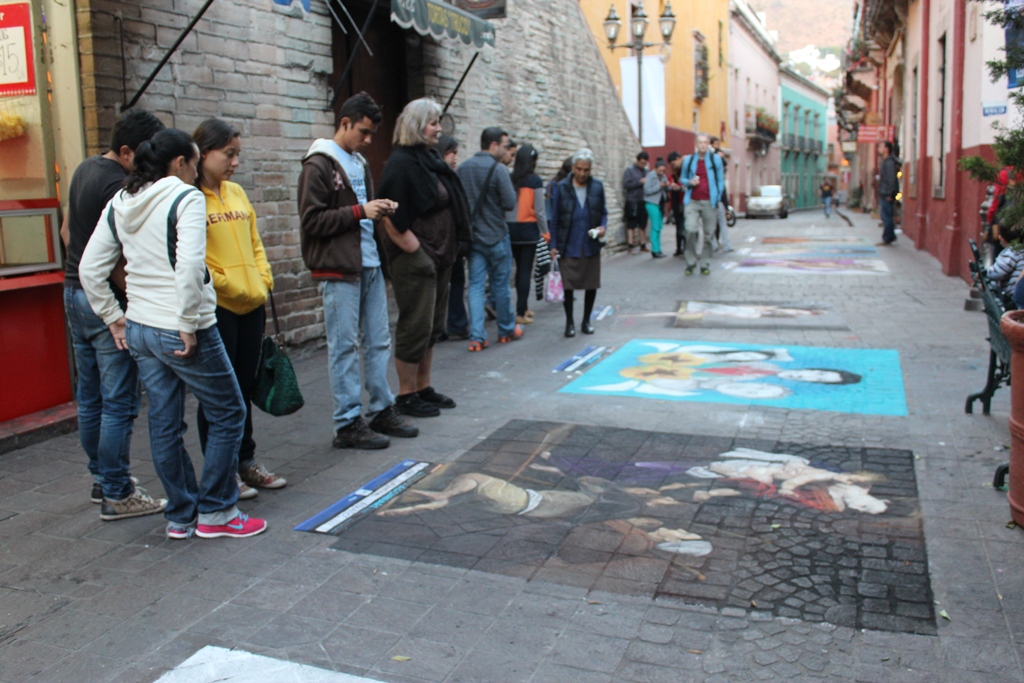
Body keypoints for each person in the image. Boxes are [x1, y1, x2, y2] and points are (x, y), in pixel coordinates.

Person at [79, 128, 267, 539]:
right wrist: (186, 323)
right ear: (179, 163)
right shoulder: (186, 197)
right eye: (195, 163)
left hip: (142, 327)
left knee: (165, 422)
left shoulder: (122, 200)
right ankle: (217, 512)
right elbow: (188, 266)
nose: (197, 170)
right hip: (182, 326)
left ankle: (182, 516)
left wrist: (114, 317)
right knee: (230, 412)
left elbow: (89, 268)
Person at [61, 108, 166, 521]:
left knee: (90, 398)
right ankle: (118, 492)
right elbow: (121, 258)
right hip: (105, 301)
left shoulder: (84, 169)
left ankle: (101, 480)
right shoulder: (117, 187)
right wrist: (136, 297)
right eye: (142, 158)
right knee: (119, 402)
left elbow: (69, 231)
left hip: (74, 293)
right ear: (125, 152)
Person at [298, 91, 417, 450]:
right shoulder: (318, 163)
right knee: (345, 345)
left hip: (369, 262)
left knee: (379, 339)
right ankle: (347, 421)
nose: (368, 141)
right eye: (363, 132)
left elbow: (362, 210)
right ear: (344, 123)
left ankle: (381, 408)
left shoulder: (358, 162)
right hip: (338, 268)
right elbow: (311, 220)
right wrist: (361, 212)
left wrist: (378, 209)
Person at [192, 118, 285, 501]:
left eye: (237, 155)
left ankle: (245, 462)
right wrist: (227, 285)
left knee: (243, 388)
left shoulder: (236, 193)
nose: (234, 162)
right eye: (228, 154)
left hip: (252, 304)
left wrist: (263, 280)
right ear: (204, 152)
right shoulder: (190, 197)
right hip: (219, 308)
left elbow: (255, 242)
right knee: (218, 392)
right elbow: (195, 259)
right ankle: (222, 470)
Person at [377, 98, 471, 417]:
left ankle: (423, 387)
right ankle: (405, 394)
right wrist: (416, 252)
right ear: (417, 126)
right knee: (415, 325)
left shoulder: (429, 158)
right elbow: (389, 215)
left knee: (433, 326)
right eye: (433, 122)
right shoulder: (402, 163)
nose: (439, 128)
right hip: (418, 258)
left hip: (441, 255)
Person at [457, 126, 522, 351]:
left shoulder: (463, 169)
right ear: (493, 145)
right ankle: (506, 329)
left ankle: (477, 337)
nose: (506, 151)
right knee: (500, 286)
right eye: (504, 146)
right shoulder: (499, 170)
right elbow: (509, 203)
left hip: (474, 239)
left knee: (475, 286)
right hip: (497, 236)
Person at [549, 148, 607, 338]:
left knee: (591, 284)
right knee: (568, 285)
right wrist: (553, 245)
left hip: (589, 244)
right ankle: (569, 322)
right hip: (569, 242)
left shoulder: (597, 187)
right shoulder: (562, 187)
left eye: (586, 170)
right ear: (573, 168)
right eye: (580, 169)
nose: (583, 173)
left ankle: (586, 321)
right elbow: (555, 218)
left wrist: (602, 228)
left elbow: (603, 212)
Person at [507, 144, 548, 324]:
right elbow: (540, 211)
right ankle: (521, 311)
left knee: (514, 272)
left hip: (510, 229)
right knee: (525, 271)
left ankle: (519, 309)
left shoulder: (509, 178)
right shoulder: (535, 181)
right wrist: (545, 231)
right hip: (528, 230)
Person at [438, 135, 470, 341]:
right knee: (448, 282)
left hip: (451, 240)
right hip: (443, 240)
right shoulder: (442, 177)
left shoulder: (450, 175)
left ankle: (449, 325)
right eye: (453, 153)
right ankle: (448, 324)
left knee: (454, 280)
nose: (456, 158)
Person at [679, 133, 725, 275]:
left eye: (705, 142)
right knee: (690, 230)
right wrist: (689, 182)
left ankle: (704, 263)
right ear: (696, 144)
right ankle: (691, 262)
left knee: (709, 234)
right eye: (700, 142)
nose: (703, 145)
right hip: (692, 201)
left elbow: (720, 180)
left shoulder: (714, 159)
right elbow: (682, 178)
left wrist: (717, 197)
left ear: (708, 144)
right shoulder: (689, 160)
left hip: (709, 202)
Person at [622, 151, 649, 253]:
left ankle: (643, 244)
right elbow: (626, 185)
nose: (643, 165)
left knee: (642, 223)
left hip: (643, 199)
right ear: (637, 161)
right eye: (641, 163)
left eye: (645, 163)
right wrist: (639, 182)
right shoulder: (630, 171)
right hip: (632, 200)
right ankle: (630, 245)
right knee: (631, 223)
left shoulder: (647, 171)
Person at [710, 137, 733, 252]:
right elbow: (722, 189)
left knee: (716, 223)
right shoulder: (717, 176)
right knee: (719, 223)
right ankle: (722, 244)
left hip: (715, 200)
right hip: (714, 200)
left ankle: (717, 244)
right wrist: (726, 203)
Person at [643, 157, 669, 258]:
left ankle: (659, 249)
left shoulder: (663, 176)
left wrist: (668, 185)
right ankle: (655, 249)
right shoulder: (650, 176)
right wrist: (659, 186)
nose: (662, 172)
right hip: (651, 202)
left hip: (660, 203)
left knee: (659, 226)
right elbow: (647, 191)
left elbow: (666, 187)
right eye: (660, 170)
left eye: (663, 170)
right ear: (656, 169)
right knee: (655, 226)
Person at [877, 141, 900, 246]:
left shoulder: (889, 162)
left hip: (887, 193)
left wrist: (890, 194)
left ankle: (887, 238)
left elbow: (891, 179)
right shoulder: (886, 161)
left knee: (886, 217)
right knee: (887, 216)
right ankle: (891, 236)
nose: (879, 148)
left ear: (887, 149)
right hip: (885, 192)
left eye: (881, 146)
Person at [666, 151, 686, 257]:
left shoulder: (685, 171)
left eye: (673, 163)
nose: (673, 166)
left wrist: (679, 186)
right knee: (679, 225)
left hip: (684, 202)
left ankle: (687, 247)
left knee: (686, 225)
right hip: (676, 203)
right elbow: (669, 184)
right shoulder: (672, 176)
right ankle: (679, 248)